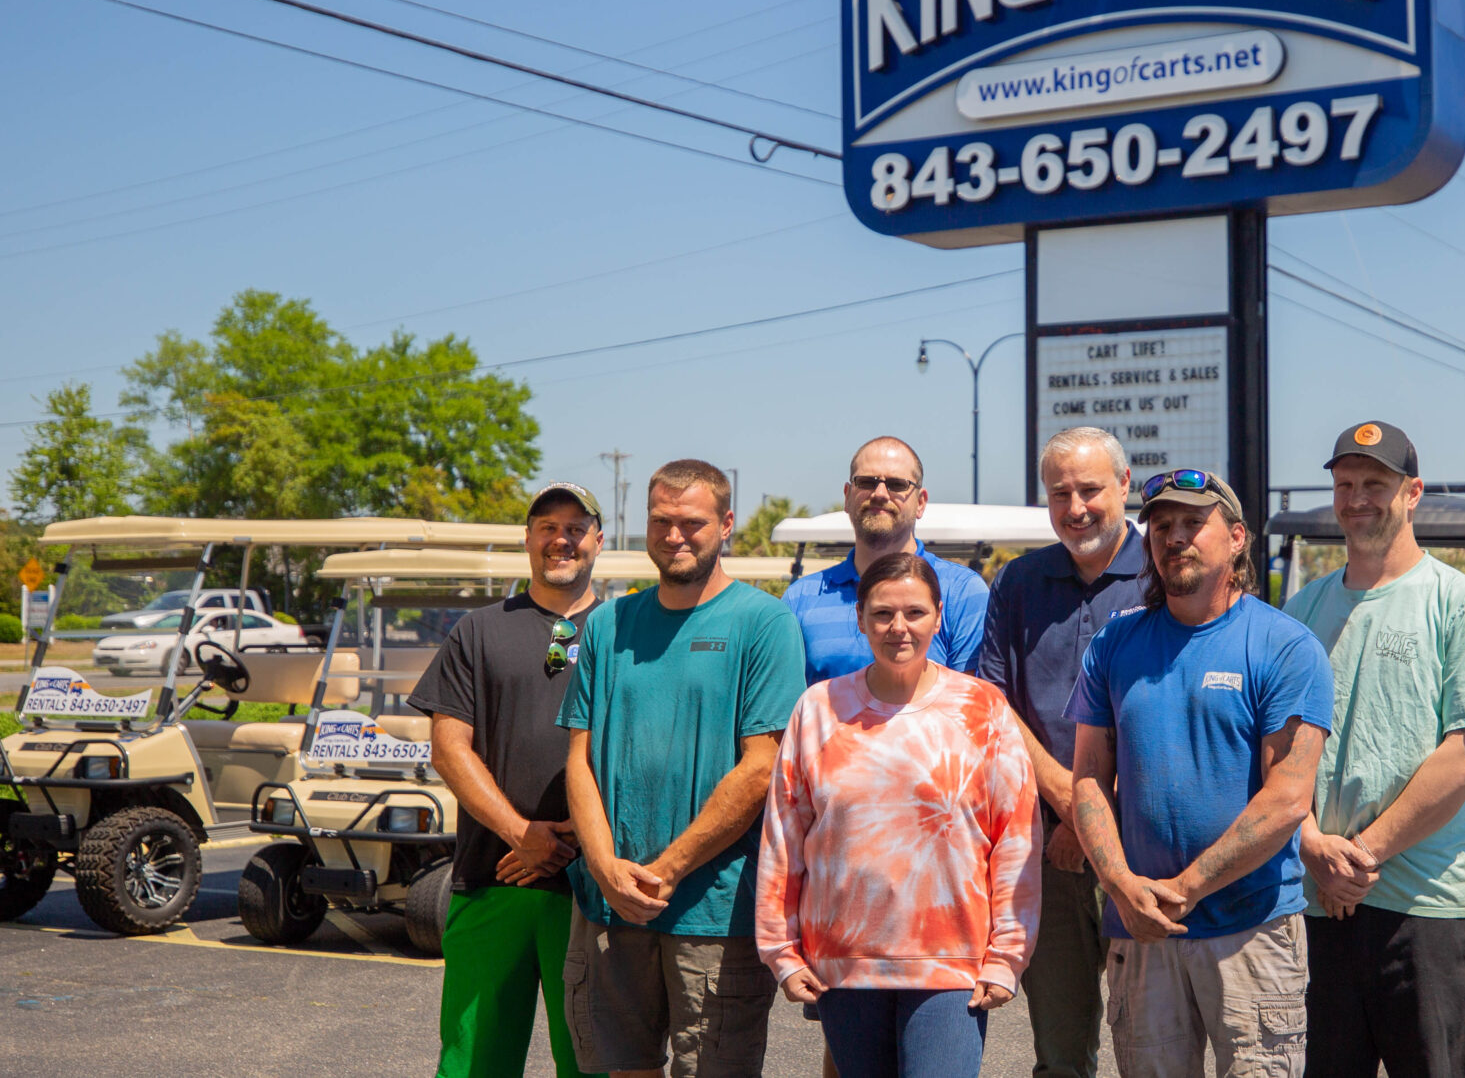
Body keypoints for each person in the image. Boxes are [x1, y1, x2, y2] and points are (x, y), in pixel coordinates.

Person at [1065, 469, 1334, 1078]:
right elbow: (1087, 778)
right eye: (1162, 526)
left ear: (1237, 538)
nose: (1175, 537)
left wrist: (1183, 890)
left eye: (1193, 523)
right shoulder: (1114, 643)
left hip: (1253, 931)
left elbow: (1288, 798)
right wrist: (1120, 886)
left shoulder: (1284, 647)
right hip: (1141, 932)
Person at [1283, 422, 1465, 1078]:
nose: (1357, 498)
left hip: (1425, 913)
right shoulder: (1301, 610)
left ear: (1412, 493)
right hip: (1314, 907)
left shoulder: (1461, 605)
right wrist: (1310, 844)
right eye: (1345, 484)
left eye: (1376, 485)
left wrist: (1359, 857)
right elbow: (1275, 748)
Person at [561, 459, 807, 1078]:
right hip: (609, 904)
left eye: (691, 523)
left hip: (713, 912)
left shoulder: (764, 622)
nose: (674, 536)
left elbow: (761, 766)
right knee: (622, 1068)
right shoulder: (608, 624)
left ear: (725, 526)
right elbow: (580, 762)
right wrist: (604, 867)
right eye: (660, 522)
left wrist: (665, 870)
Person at [757, 549, 1040, 1078]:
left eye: (914, 612)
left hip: (951, 964)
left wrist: (1008, 955)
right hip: (844, 965)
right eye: (883, 613)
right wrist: (781, 950)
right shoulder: (818, 708)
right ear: (860, 618)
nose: (898, 628)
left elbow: (1016, 839)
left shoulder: (982, 709)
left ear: (938, 616)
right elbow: (784, 837)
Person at [411, 482, 601, 1078]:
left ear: (598, 539)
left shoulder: (626, 631)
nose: (560, 539)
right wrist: (522, 833)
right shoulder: (479, 630)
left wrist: (571, 839)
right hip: (495, 877)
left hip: (595, 888)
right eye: (547, 526)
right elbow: (448, 748)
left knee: (596, 1061)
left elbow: (647, 751)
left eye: (575, 527)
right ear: (527, 539)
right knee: (475, 1062)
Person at [974, 426, 1146, 1078]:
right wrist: (1072, 806)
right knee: (1062, 1054)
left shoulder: (1164, 577)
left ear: (1124, 485)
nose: (1075, 507)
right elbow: (994, 705)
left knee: (1152, 1044)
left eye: (1090, 489)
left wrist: (1096, 816)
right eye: (1059, 492)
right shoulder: (1017, 582)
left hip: (1143, 846)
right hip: (1048, 850)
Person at [783, 436, 990, 684]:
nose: (880, 494)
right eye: (867, 482)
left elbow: (970, 704)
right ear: (847, 497)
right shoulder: (800, 600)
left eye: (896, 484)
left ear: (921, 503)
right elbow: (791, 710)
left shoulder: (962, 593)